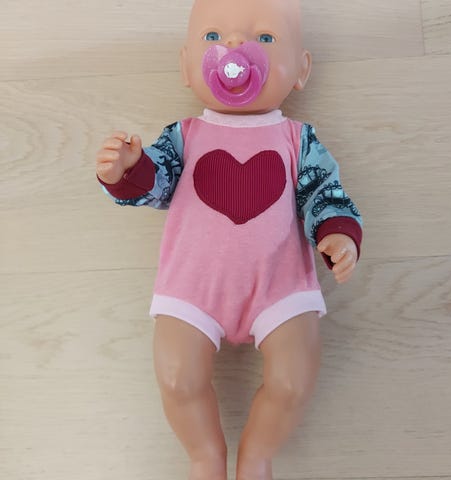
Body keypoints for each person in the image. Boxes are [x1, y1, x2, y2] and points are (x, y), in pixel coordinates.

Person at [96, 1, 363, 479]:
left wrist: (338, 233)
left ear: (300, 70)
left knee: (293, 380)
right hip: (192, 289)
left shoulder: (298, 139)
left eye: (265, 38)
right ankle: (205, 456)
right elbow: (156, 184)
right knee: (177, 378)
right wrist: (127, 170)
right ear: (186, 66)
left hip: (280, 288)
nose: (235, 45)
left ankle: (257, 455)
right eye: (213, 36)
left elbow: (325, 192)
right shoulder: (183, 136)